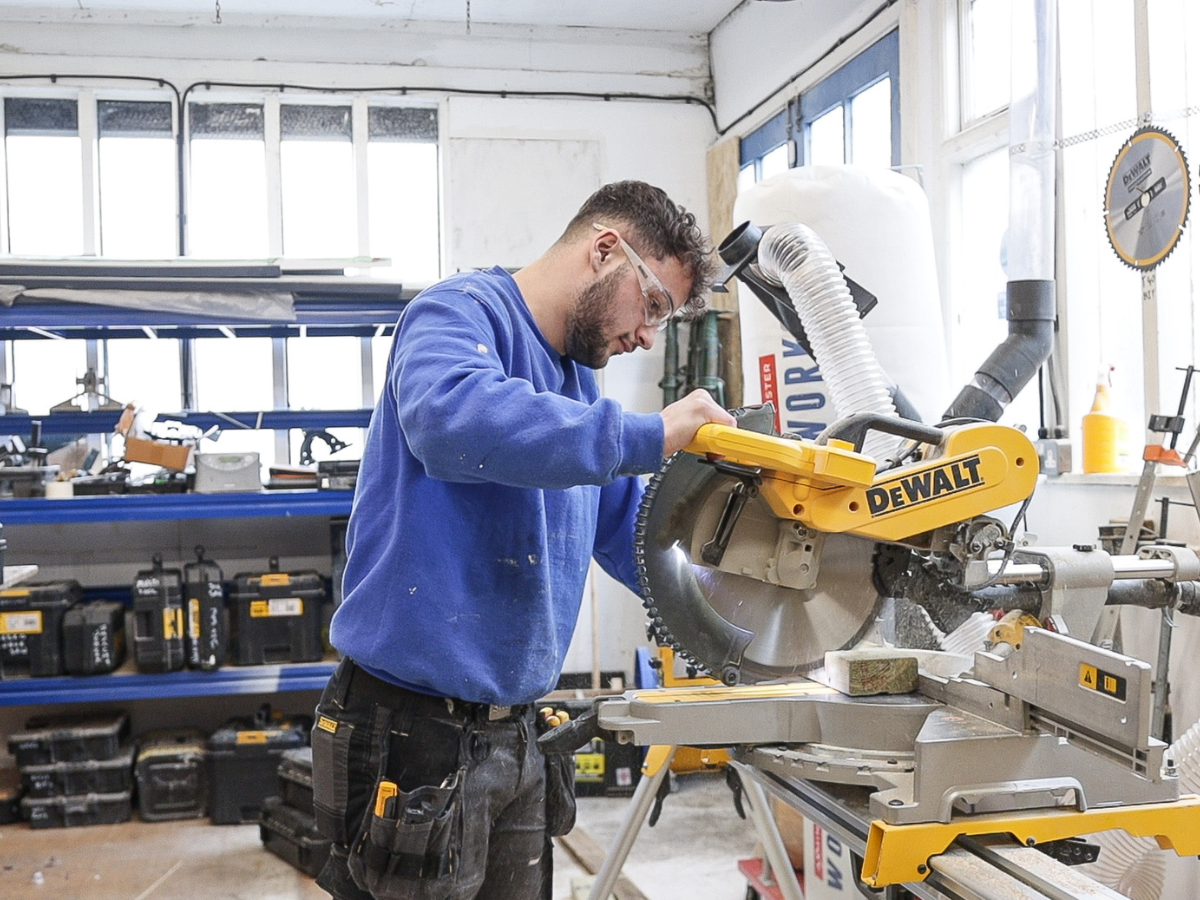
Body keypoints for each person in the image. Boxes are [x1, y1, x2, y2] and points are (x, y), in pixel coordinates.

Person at [311, 180, 736, 900]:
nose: (646, 337)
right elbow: (452, 420)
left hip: (517, 735)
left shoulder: (578, 386)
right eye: (653, 306)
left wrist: (743, 608)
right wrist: (654, 433)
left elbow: (632, 531)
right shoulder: (457, 313)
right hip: (411, 732)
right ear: (606, 250)